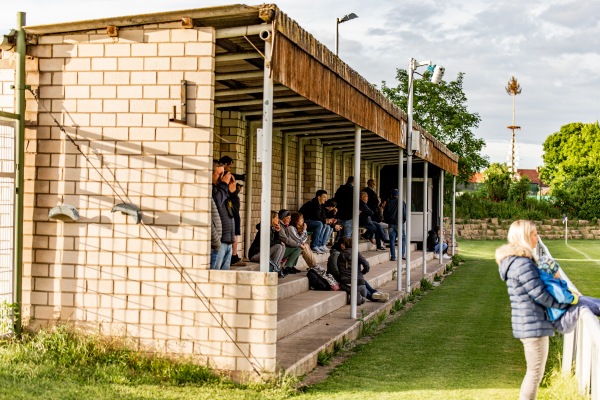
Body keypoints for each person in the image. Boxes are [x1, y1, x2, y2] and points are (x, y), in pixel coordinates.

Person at [496, 220, 573, 400]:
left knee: (534, 372)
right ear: (524, 237)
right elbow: (540, 294)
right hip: (533, 325)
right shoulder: (523, 264)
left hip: (529, 323)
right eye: (534, 234)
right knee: (535, 373)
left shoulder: (518, 262)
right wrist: (566, 303)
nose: (537, 237)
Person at [335, 238, 389, 304]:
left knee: (358, 281)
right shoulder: (356, 253)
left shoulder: (339, 256)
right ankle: (374, 294)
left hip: (346, 284)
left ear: (343, 245)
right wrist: (362, 272)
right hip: (360, 285)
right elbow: (367, 265)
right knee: (360, 281)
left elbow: (339, 270)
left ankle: (373, 294)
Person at [219, 156, 246, 267]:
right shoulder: (225, 178)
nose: (230, 169)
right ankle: (233, 256)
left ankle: (233, 256)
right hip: (229, 212)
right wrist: (234, 191)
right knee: (234, 233)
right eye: (229, 165)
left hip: (230, 211)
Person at [248, 211, 289, 278]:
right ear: (271, 219)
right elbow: (268, 244)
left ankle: (276, 267)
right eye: (276, 218)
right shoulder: (264, 229)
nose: (278, 220)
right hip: (256, 255)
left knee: (282, 246)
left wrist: (277, 232)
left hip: (263, 254)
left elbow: (274, 242)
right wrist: (278, 239)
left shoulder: (272, 229)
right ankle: (273, 269)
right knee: (279, 246)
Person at [211, 162, 235, 270]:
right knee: (214, 278)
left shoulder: (222, 190)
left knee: (223, 281)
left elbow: (234, 212)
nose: (222, 177)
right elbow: (217, 202)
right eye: (219, 174)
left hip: (228, 241)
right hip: (219, 243)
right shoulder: (211, 189)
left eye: (223, 174)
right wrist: (224, 185)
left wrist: (233, 193)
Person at [298, 190, 330, 254]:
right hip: (304, 222)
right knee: (320, 224)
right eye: (324, 197)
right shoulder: (312, 204)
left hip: (312, 221)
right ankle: (314, 246)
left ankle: (321, 245)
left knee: (327, 226)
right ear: (319, 197)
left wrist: (328, 221)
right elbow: (315, 217)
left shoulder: (321, 205)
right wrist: (324, 221)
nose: (325, 199)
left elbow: (323, 217)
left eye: (326, 197)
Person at [383, 189, 406, 261]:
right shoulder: (401, 202)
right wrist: (403, 220)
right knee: (403, 238)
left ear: (391, 195)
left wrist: (388, 221)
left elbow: (385, 213)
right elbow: (404, 213)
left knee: (392, 240)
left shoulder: (388, 202)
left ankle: (393, 256)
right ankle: (402, 254)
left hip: (391, 224)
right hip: (399, 223)